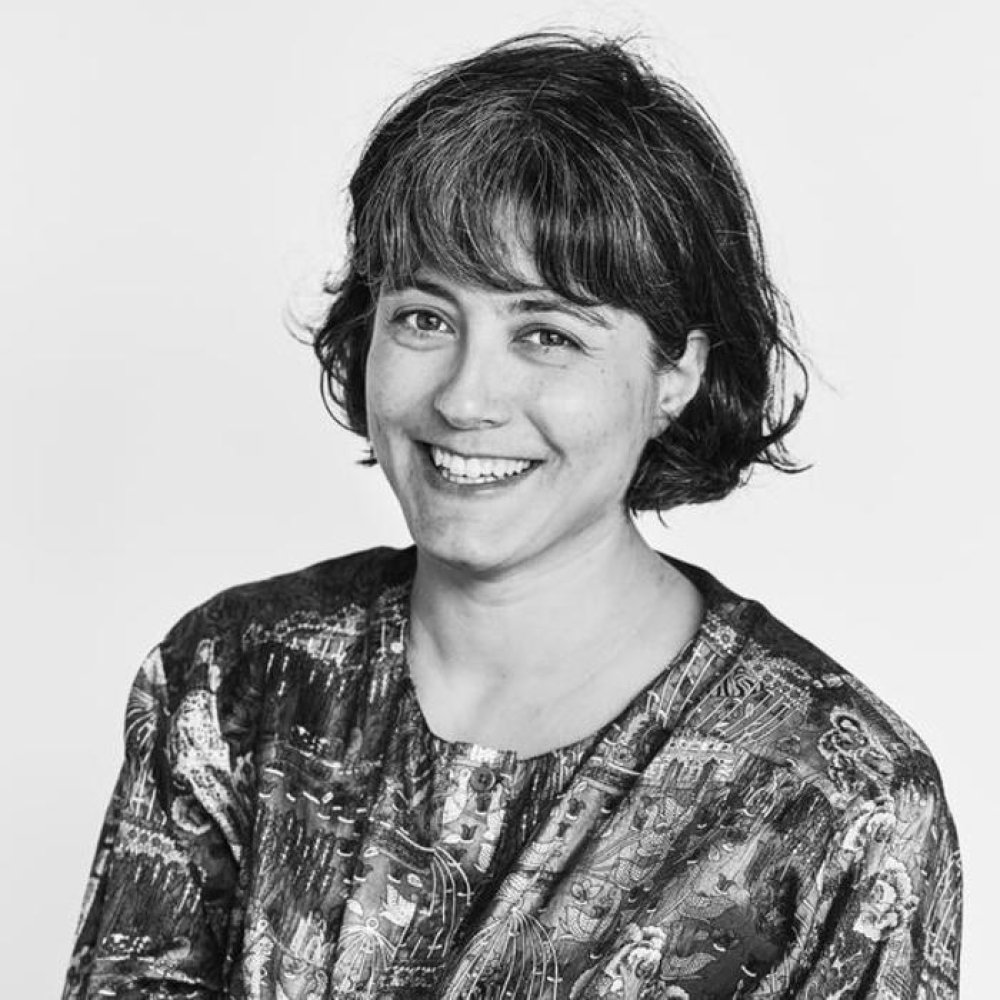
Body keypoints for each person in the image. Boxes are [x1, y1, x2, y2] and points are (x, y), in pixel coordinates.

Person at [63, 32, 962, 1000]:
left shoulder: (841, 800)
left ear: (676, 375)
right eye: (425, 318)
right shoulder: (236, 679)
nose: (465, 398)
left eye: (546, 334)